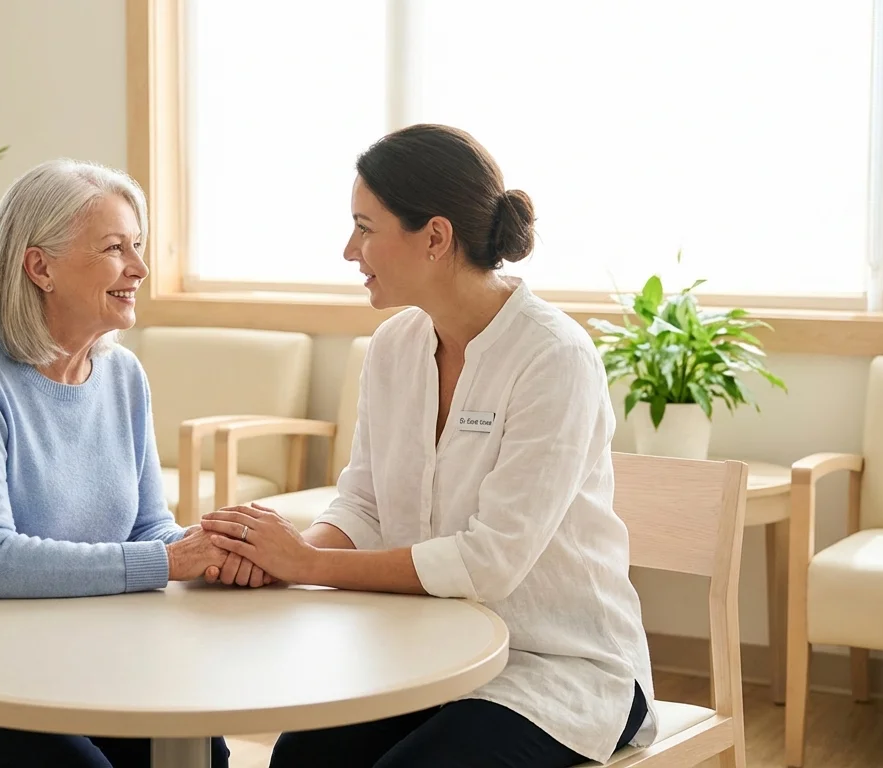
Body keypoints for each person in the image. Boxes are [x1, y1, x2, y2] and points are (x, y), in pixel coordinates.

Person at [200, 124, 656, 768]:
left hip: (557, 668)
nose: (349, 250)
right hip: (429, 651)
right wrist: (274, 555)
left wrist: (307, 565)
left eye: (365, 227)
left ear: (435, 238)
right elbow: (363, 506)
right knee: (302, 761)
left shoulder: (554, 358)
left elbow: (490, 562)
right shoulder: (394, 347)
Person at [0, 158, 261, 768]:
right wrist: (169, 560)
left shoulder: (123, 374)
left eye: (138, 245)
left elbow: (148, 528)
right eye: (113, 248)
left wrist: (219, 548)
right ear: (39, 266)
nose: (140, 268)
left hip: (64, 652)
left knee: (198, 749)